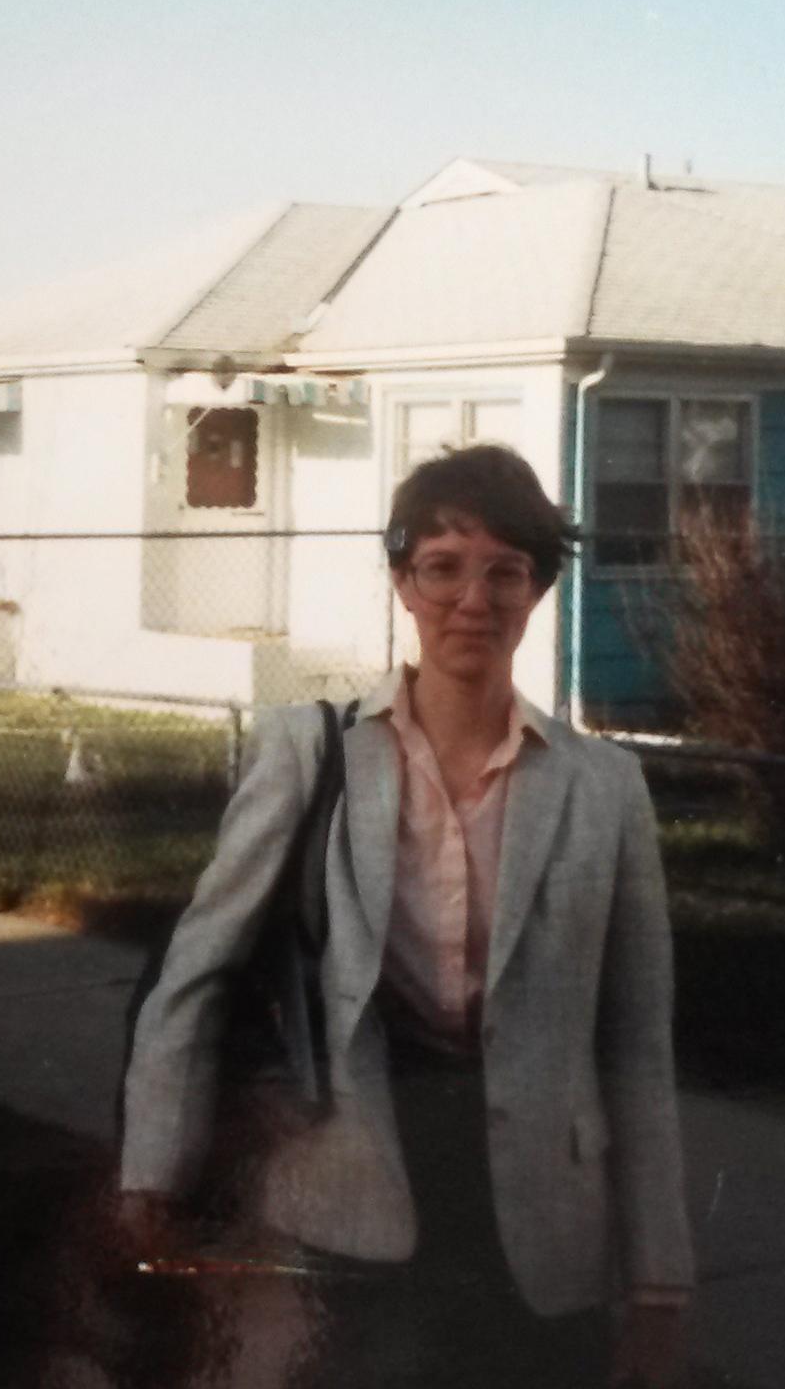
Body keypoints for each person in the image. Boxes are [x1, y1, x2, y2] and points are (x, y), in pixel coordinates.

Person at [116, 444, 694, 1387]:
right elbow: (198, 974)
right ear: (402, 582)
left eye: (507, 571)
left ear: (539, 589)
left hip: (548, 1229)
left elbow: (635, 1046)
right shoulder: (313, 756)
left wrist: (660, 1286)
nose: (476, 599)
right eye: (443, 568)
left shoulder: (606, 788)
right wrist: (152, 1172)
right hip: (347, 1197)